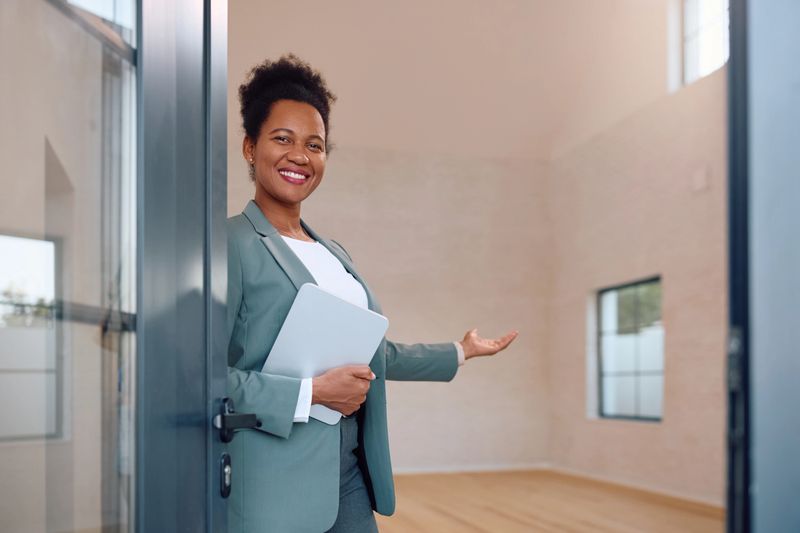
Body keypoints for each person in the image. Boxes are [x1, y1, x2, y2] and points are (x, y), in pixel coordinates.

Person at [226, 54, 518, 533]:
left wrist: (459, 352)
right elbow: (203, 380)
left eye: (314, 145)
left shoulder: (334, 253)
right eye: (282, 139)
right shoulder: (230, 244)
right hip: (275, 479)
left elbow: (370, 352)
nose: (300, 155)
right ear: (250, 147)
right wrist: (312, 393)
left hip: (349, 470)